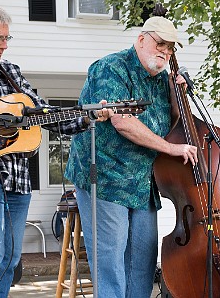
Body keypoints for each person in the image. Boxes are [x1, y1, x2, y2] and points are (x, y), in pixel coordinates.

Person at [0, 3, 110, 297]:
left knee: (9, 259)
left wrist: (87, 116)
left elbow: (43, 113)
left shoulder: (10, 72)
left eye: (7, 39)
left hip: (16, 175)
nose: (4, 45)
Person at [64, 16, 199, 297]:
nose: (165, 52)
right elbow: (122, 122)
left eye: (171, 48)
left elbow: (173, 125)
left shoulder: (162, 80)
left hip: (142, 182)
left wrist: (177, 96)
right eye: (160, 43)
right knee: (111, 263)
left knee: (143, 263)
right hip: (105, 178)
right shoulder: (110, 68)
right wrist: (171, 149)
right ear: (141, 40)